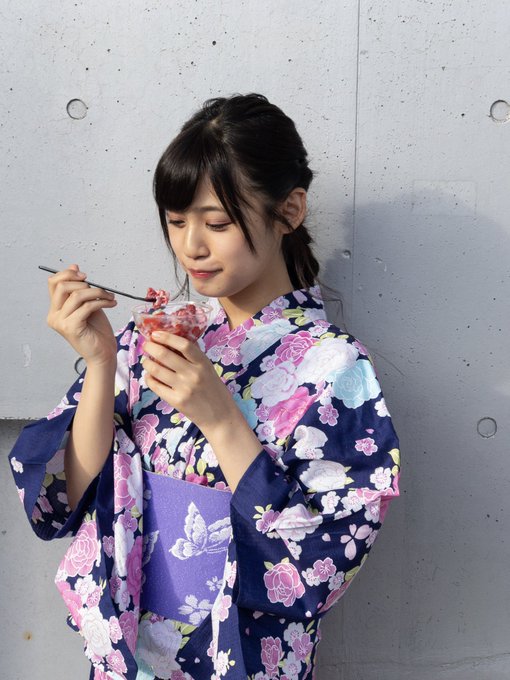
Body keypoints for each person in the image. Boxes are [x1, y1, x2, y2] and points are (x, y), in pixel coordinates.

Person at [9, 93, 400, 680]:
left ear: (290, 209)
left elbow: (319, 562)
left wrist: (220, 419)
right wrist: (101, 360)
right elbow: (75, 492)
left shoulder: (335, 369)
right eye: (176, 221)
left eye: (217, 223)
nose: (191, 245)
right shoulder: (158, 337)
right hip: (131, 655)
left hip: (239, 655)